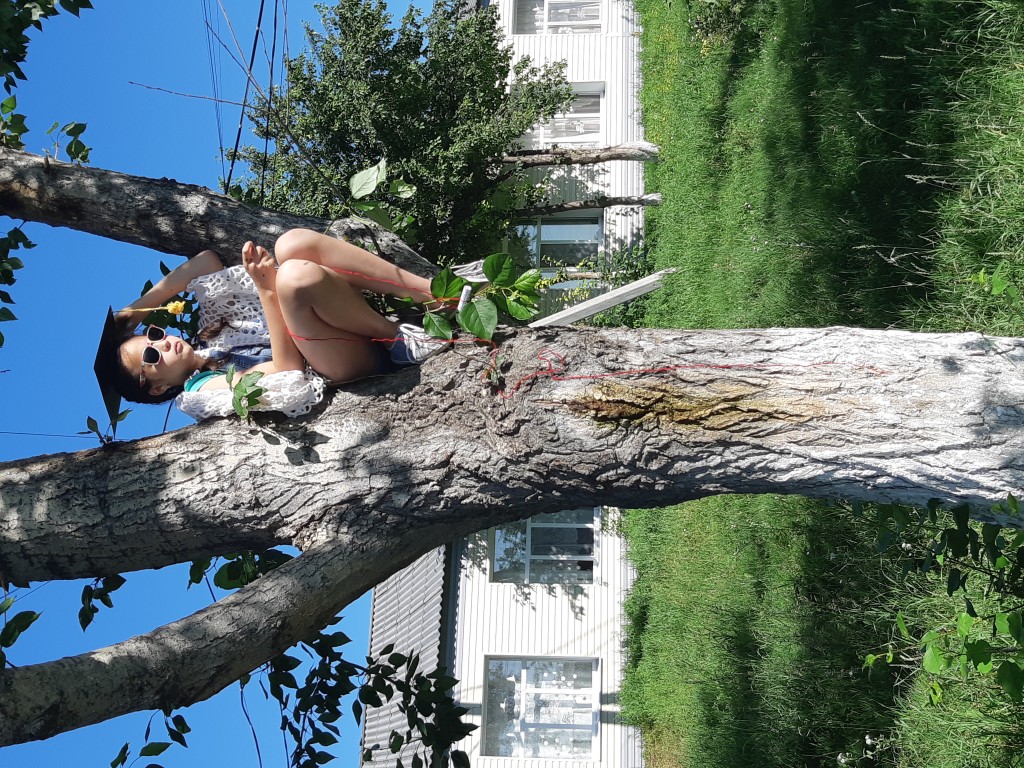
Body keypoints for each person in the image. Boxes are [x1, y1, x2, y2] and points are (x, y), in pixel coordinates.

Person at [94, 228, 450, 422]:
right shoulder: (200, 390)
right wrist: (266, 289)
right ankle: (398, 341)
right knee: (292, 278)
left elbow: (205, 263)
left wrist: (136, 312)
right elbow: (287, 370)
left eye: (154, 335)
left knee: (292, 243)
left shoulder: (209, 335)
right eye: (152, 355)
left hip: (342, 328)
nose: (162, 342)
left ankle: (432, 294)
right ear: (157, 388)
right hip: (340, 364)